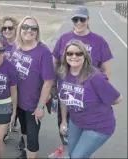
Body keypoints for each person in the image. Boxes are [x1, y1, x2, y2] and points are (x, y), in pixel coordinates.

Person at [48, 6, 114, 158]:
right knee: (64, 124)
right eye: (75, 19)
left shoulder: (99, 41)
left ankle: (81, 152)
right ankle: (68, 151)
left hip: (89, 96)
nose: (79, 22)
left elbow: (106, 69)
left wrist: (104, 93)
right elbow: (55, 62)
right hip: (67, 91)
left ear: (88, 20)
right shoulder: (64, 38)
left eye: (82, 19)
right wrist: (53, 85)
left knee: (86, 127)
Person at [57, 39, 123, 158]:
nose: (74, 56)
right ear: (65, 56)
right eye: (70, 53)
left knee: (77, 157)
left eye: (78, 53)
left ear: (85, 56)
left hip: (98, 126)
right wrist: (63, 121)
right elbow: (63, 99)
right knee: (72, 154)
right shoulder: (63, 74)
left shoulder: (95, 77)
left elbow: (118, 99)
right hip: (76, 122)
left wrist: (99, 103)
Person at [9, 16, 55, 159]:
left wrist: (40, 106)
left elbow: (48, 81)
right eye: (26, 27)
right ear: (20, 29)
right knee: (24, 131)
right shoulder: (15, 46)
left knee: (33, 139)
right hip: (18, 101)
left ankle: (30, 153)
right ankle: (26, 152)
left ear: (37, 31)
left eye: (33, 28)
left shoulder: (43, 52)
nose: (29, 30)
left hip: (33, 104)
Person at [0, 16, 20, 140]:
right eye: (4, 28)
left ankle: (16, 123)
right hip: (6, 81)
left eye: (10, 28)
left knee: (18, 105)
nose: (7, 30)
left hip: (21, 80)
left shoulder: (20, 42)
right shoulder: (0, 43)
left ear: (15, 29)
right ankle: (6, 129)